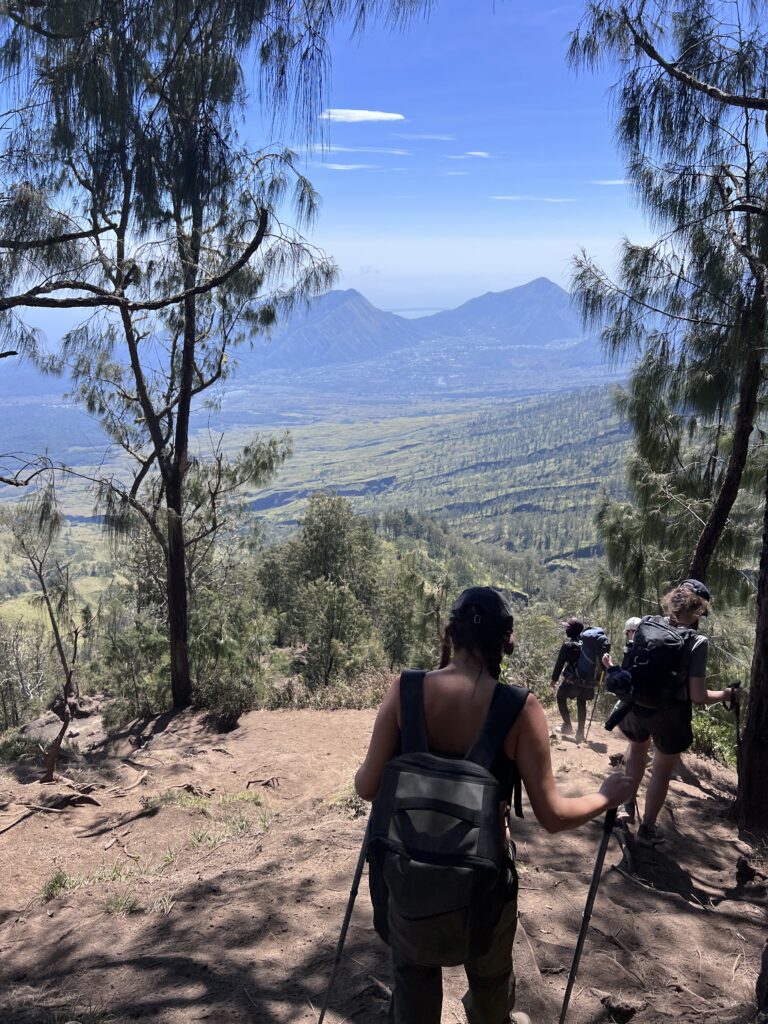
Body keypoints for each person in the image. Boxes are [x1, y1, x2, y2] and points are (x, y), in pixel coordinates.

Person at [355, 587, 634, 1024]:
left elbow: (367, 787)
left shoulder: (406, 690)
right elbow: (553, 816)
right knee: (490, 978)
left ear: (451, 633)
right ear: (507, 641)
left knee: (413, 972)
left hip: (406, 873)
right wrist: (607, 796)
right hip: (481, 885)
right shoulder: (519, 708)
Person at [602, 580, 740, 845]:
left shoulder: (646, 622)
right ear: (698, 609)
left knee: (637, 751)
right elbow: (698, 696)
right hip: (669, 715)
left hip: (636, 705)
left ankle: (625, 807)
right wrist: (726, 694)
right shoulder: (697, 641)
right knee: (662, 770)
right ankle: (648, 830)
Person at [550, 616, 590, 743]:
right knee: (581, 703)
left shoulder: (568, 645)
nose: (566, 629)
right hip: (587, 682)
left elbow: (559, 664)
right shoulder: (587, 645)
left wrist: (554, 679)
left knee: (560, 697)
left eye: (567, 627)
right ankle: (580, 733)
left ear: (572, 630)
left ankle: (567, 726)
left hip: (572, 682)